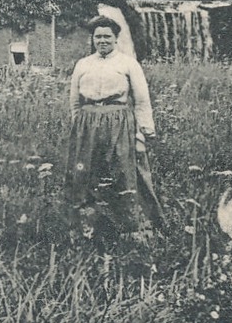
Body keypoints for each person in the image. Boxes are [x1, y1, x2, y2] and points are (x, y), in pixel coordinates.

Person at [65, 15, 163, 242]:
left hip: (119, 123)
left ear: (116, 38)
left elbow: (141, 101)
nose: (102, 41)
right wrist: (78, 129)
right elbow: (75, 102)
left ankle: (132, 229)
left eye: (107, 37)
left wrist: (143, 134)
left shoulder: (128, 63)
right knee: (85, 175)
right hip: (87, 124)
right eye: (98, 36)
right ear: (93, 38)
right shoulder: (83, 64)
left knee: (123, 172)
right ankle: (88, 228)